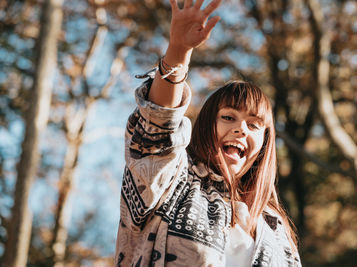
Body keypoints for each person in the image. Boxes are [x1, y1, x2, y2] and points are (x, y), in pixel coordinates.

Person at [114, 0, 301, 266]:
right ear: (205, 127)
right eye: (228, 117)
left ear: (264, 142)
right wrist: (178, 51)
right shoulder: (173, 182)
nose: (240, 128)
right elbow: (156, 131)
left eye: (254, 124)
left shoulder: (276, 228)